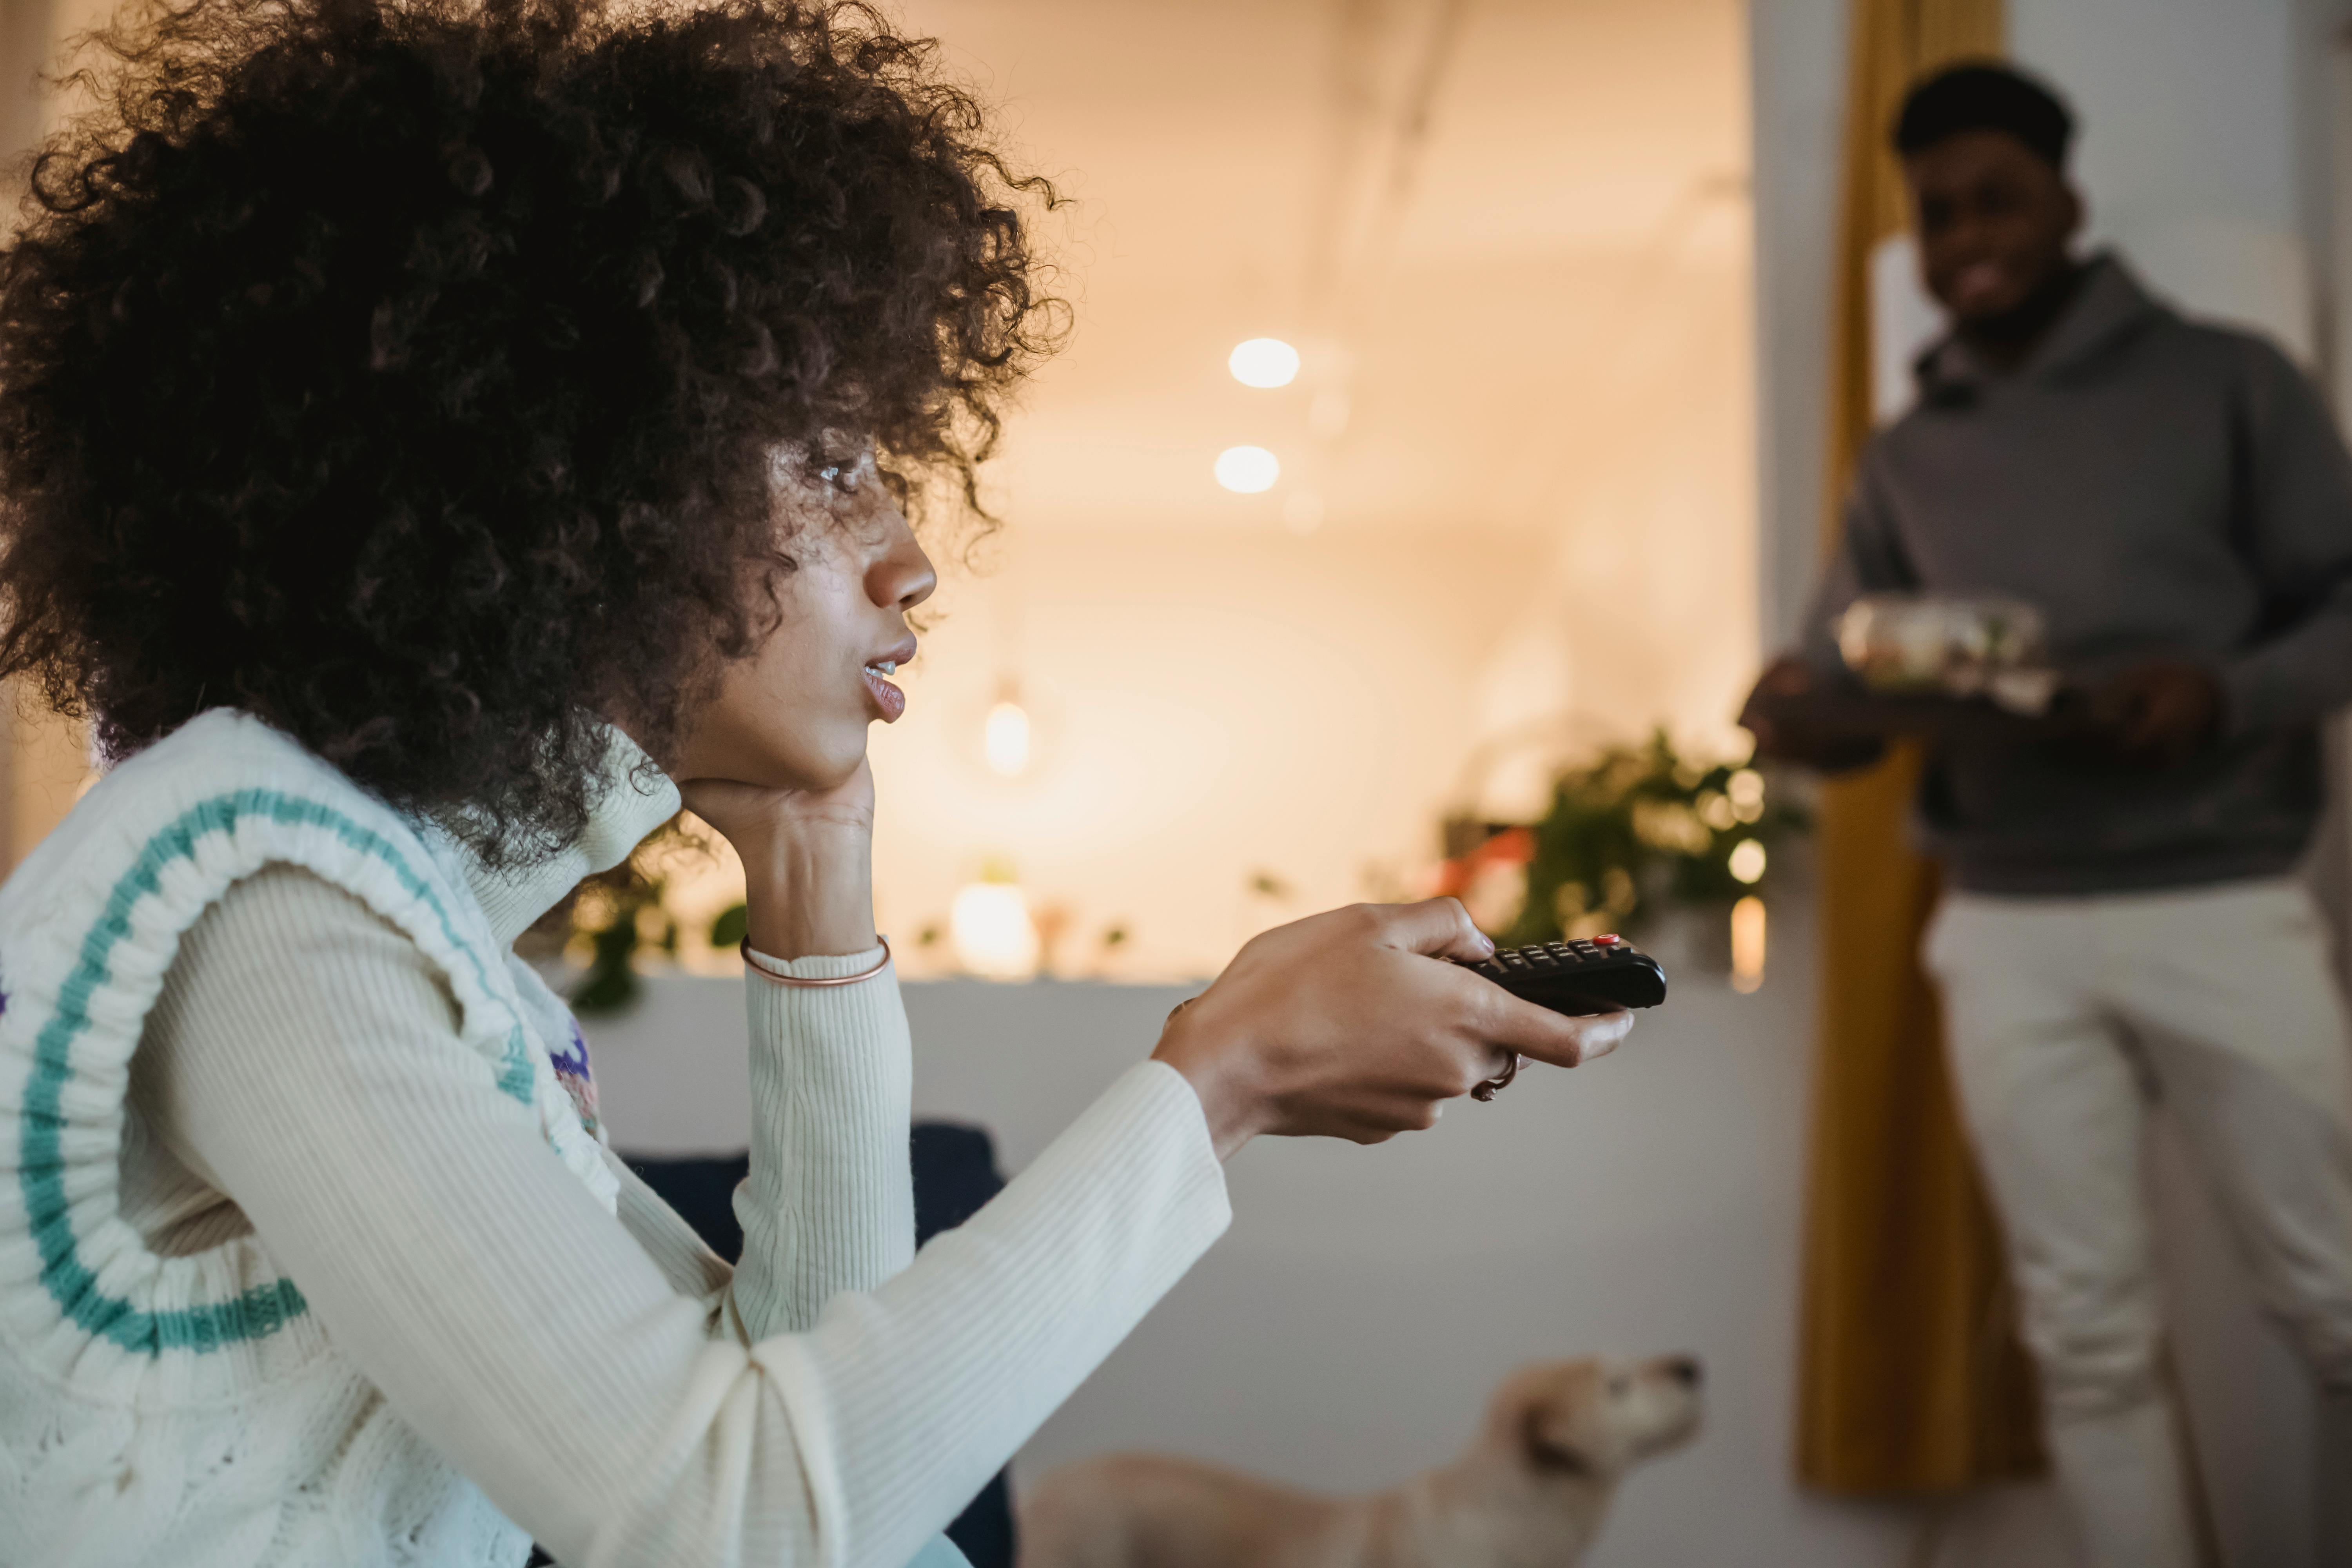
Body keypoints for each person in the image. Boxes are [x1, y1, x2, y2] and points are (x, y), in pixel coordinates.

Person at [0, 3, 1633, 1565]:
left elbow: (812, 1423)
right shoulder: (268, 925)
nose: (915, 560)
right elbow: (744, 1523)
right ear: (587, 476)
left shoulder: (417, 941)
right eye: (836, 467)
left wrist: (813, 853)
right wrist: (1225, 1079)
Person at [1747, 61, 2352, 1568]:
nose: (1966, 239)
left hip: (2219, 895)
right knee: (2086, 1338)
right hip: (2006, 929)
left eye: (1995, 199)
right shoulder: (1907, 451)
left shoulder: (2230, 381)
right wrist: (1801, 717)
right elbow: (1846, 684)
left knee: (2335, 1291)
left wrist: (2219, 696)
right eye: (1938, 212)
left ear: (2068, 203)